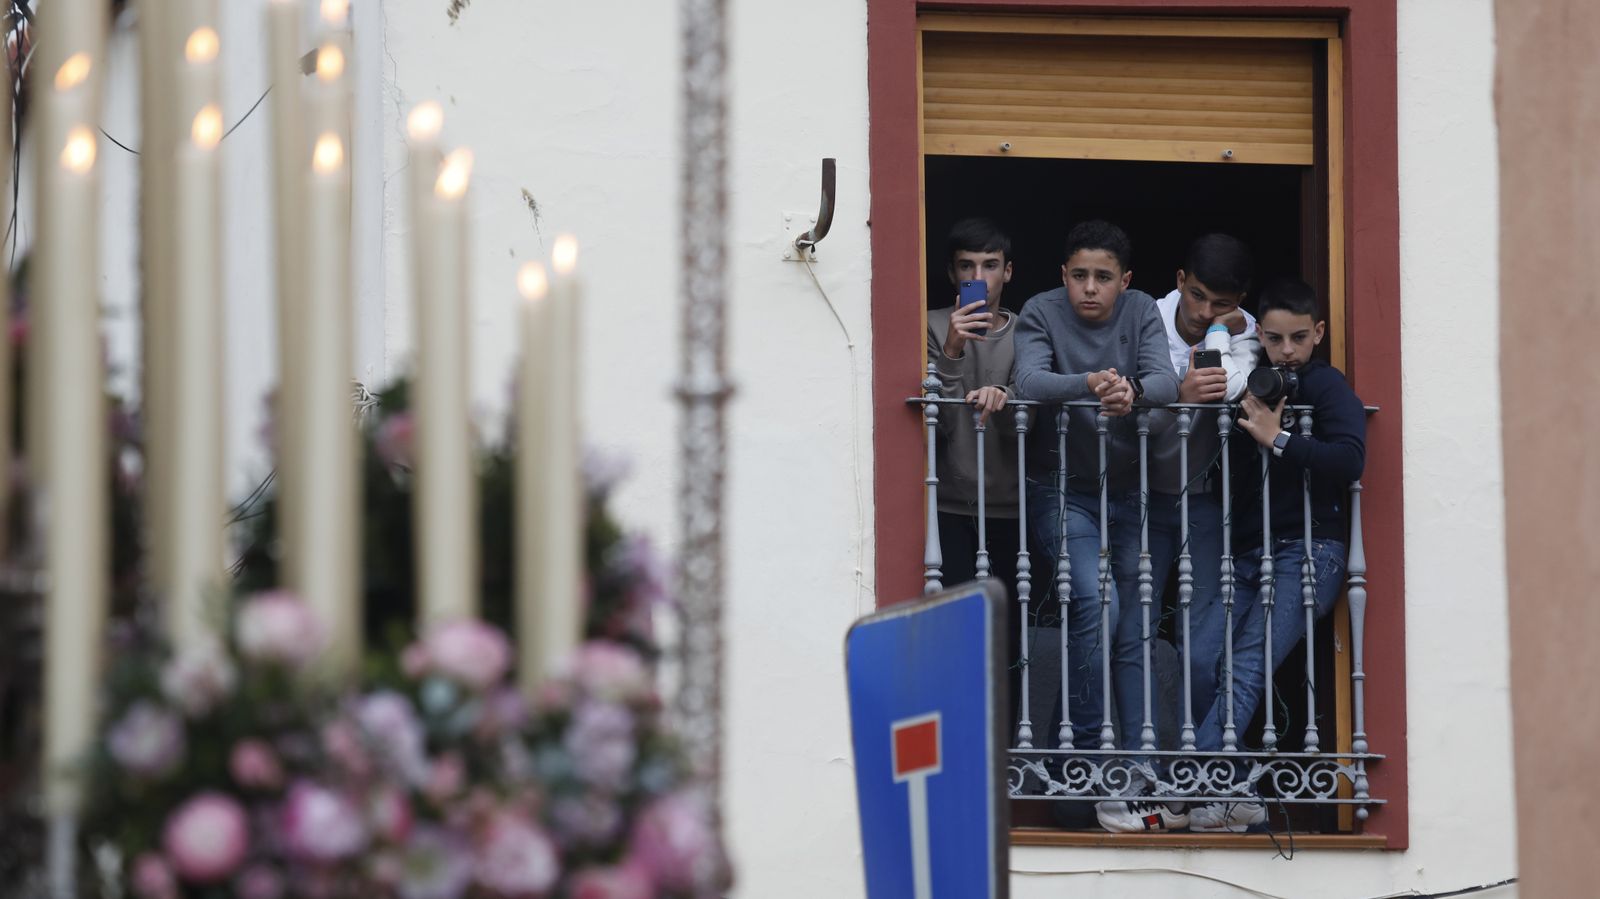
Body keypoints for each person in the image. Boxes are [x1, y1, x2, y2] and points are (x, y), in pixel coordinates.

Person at [1186, 277, 1367, 833]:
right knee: (1201, 655)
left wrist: (1278, 437)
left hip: (1312, 551)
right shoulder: (1250, 383)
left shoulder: (1327, 384)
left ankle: (1199, 784)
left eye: (1296, 338)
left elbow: (1350, 459)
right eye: (1273, 339)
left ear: (1317, 332)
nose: (1286, 351)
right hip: (1246, 551)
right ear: (1257, 334)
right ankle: (1235, 789)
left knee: (1245, 664)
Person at [1097, 234, 1261, 832]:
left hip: (1201, 501)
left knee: (1205, 642)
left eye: (1219, 305)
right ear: (1179, 278)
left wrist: (1233, 340)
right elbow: (1125, 409)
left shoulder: (1241, 330)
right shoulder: (1146, 318)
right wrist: (1179, 399)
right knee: (1133, 630)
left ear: (1237, 301)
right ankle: (1141, 771)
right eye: (1195, 296)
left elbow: (1245, 386)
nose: (1202, 313)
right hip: (1138, 496)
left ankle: (1204, 773)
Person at [1013, 220, 1179, 789]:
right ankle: (1089, 762)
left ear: (1124, 280)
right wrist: (1093, 382)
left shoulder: (1139, 311)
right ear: (1063, 275)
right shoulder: (1040, 309)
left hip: (1130, 493)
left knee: (1133, 628)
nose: (1089, 287)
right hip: (1059, 487)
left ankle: (1129, 765)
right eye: (1079, 275)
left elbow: (1165, 382)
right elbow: (1030, 379)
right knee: (1095, 606)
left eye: (1103, 277)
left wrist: (1127, 391)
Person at [925, 218, 1021, 594]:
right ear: (952, 272)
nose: (979, 276)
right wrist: (951, 349)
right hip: (947, 503)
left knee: (1010, 630)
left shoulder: (1027, 330)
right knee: (957, 626)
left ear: (1008, 271)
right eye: (967, 266)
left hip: (1011, 504)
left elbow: (1031, 421)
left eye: (990, 265)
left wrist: (1005, 396)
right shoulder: (930, 325)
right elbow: (941, 422)